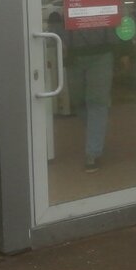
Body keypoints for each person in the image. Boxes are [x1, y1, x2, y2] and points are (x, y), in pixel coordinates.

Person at [49, 11, 115, 173]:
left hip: (102, 53)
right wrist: (57, 33)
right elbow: (55, 23)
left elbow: (117, 17)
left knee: (97, 102)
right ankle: (96, 135)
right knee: (79, 102)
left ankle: (93, 152)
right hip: (74, 56)